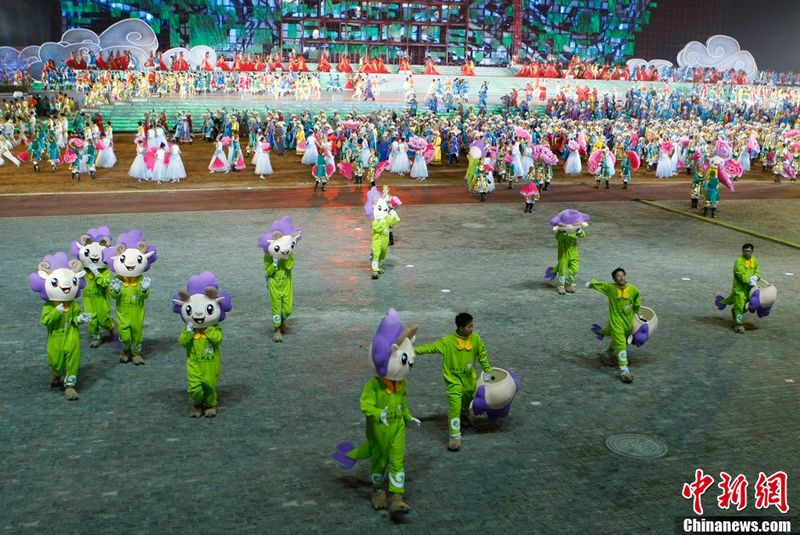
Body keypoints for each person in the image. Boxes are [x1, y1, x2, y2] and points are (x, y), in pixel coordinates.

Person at [414, 312, 493, 451]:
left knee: (467, 399)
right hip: (453, 381)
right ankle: (455, 436)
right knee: (454, 406)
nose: (472, 329)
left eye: (472, 326)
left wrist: (487, 369)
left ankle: (465, 414)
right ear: (461, 328)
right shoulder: (447, 342)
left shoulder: (476, 339)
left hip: (469, 380)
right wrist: (411, 350)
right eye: (469, 326)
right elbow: (429, 348)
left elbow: (482, 354)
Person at [586, 268, 641, 384]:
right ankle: (624, 371)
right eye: (617, 276)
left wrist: (637, 314)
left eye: (622, 275)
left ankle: (606, 346)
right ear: (614, 279)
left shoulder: (634, 289)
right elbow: (600, 285)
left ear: (625, 276)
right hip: (616, 321)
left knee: (625, 339)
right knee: (621, 344)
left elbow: (637, 302)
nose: (620, 278)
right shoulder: (611, 288)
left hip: (628, 322)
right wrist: (591, 284)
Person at [715, 244, 760, 334]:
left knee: (746, 306)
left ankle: (735, 312)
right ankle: (738, 324)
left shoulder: (755, 260)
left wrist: (756, 277)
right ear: (742, 251)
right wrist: (749, 280)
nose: (747, 253)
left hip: (750, 289)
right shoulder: (739, 261)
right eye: (745, 251)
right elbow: (740, 275)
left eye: (749, 251)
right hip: (739, 289)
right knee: (739, 306)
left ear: (752, 252)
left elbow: (757, 270)